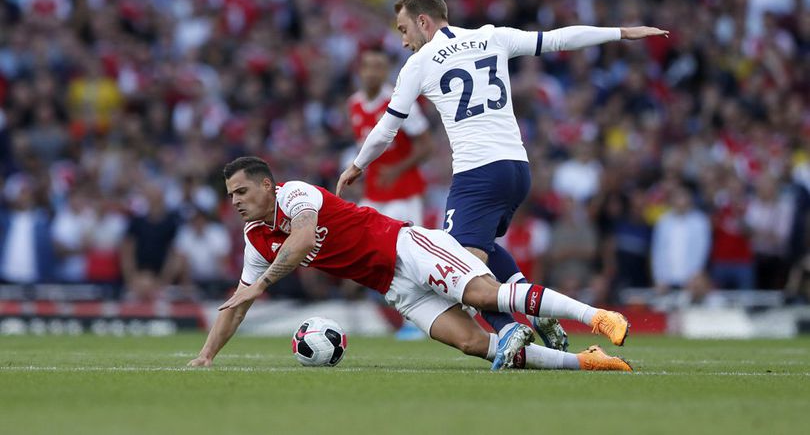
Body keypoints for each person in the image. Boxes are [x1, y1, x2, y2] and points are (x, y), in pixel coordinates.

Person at [337, 0, 667, 356]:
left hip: (477, 174)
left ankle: (510, 329)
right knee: (483, 248)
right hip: (517, 168)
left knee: (457, 272)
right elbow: (559, 39)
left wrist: (356, 165)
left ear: (423, 21)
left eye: (403, 29)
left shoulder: (420, 62)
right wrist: (620, 32)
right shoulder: (491, 36)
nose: (402, 41)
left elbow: (386, 128)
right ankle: (538, 314)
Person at [188, 156, 632, 372]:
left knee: (482, 293)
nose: (236, 203)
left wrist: (261, 284)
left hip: (405, 247)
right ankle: (585, 362)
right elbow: (238, 305)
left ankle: (599, 317)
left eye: (242, 192)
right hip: (393, 286)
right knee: (472, 344)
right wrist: (206, 355)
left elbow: (303, 238)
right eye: (230, 197)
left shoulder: (295, 194)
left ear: (267, 185)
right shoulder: (255, 240)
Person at [346, 47, 433, 225]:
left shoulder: (399, 102)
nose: (371, 72)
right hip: (373, 193)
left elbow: (427, 146)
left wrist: (397, 169)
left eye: (378, 67)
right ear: (360, 70)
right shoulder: (354, 104)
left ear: (386, 71)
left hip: (404, 194)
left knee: (403, 250)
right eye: (367, 66)